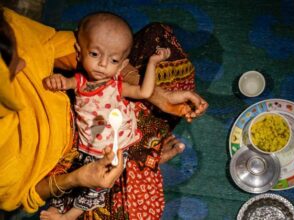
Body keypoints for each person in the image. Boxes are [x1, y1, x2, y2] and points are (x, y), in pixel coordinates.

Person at [0, 6, 207, 217]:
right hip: (71, 165)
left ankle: (144, 154)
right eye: (9, 67)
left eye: (16, 51)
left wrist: (158, 96)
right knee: (130, 210)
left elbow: (61, 46)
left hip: (108, 129)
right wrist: (77, 178)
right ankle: (144, 157)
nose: (23, 64)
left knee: (159, 38)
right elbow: (24, 195)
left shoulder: (6, 24)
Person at [40, 12, 171, 220]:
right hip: (88, 148)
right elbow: (63, 83)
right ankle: (57, 208)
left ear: (121, 65)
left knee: (96, 191)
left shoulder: (118, 86)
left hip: (121, 147)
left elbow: (144, 93)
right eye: (94, 54)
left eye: (113, 60)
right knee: (70, 175)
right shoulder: (81, 82)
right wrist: (56, 81)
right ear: (79, 52)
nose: (102, 64)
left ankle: (70, 216)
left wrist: (153, 63)